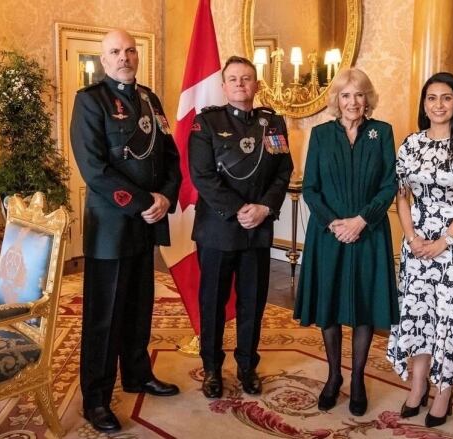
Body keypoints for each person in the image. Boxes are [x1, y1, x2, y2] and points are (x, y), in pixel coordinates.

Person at [70, 29, 182, 433]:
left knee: (139, 305)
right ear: (104, 60)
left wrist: (167, 197)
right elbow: (94, 168)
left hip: (148, 223)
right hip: (113, 226)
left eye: (130, 50)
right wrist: (144, 203)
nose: (124, 57)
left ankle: (137, 374)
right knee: (104, 316)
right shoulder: (90, 101)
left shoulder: (150, 99)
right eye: (115, 52)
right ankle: (95, 398)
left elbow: (170, 156)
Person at [386, 72, 453, 428]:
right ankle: (417, 386)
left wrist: (443, 242)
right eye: (431, 98)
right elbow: (401, 196)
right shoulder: (411, 144)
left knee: (449, 319)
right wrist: (413, 238)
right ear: (424, 104)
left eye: (446, 98)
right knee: (418, 316)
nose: (438, 105)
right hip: (417, 246)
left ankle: (444, 391)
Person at [294, 68, 399, 417]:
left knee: (364, 306)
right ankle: (333, 376)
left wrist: (361, 220)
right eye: (345, 95)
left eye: (358, 95)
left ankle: (356, 380)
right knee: (329, 305)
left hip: (369, 233)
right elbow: (311, 188)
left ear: (367, 99)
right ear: (336, 100)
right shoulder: (321, 135)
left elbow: (389, 185)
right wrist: (335, 224)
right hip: (329, 235)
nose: (352, 102)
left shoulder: (381, 133)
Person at [189, 56, 293, 399]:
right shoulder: (206, 123)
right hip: (219, 229)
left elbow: (282, 172)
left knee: (252, 303)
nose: (239, 84)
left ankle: (247, 366)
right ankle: (212, 369)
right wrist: (239, 210)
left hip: (257, 230)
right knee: (213, 303)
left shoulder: (272, 123)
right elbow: (202, 176)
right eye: (232, 79)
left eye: (246, 78)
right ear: (223, 85)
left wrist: (264, 208)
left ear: (256, 85)